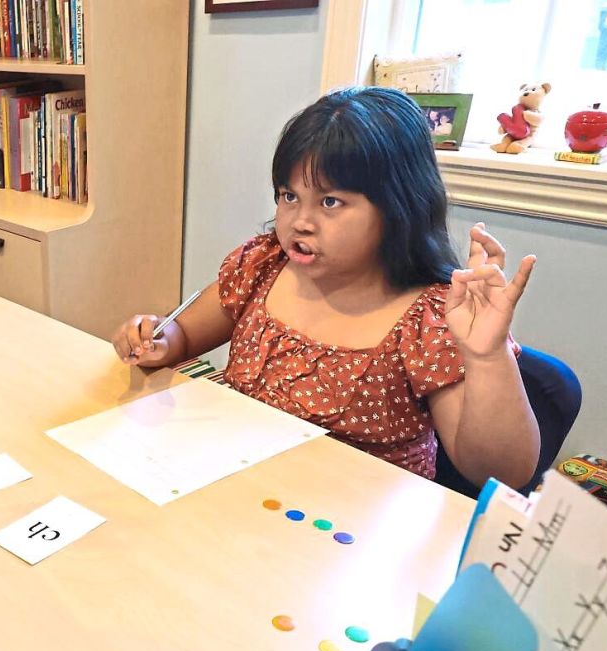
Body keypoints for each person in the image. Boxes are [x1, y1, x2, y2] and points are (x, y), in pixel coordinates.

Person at [112, 87, 539, 488]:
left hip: (348, 530)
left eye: (330, 202)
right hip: (240, 488)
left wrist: (486, 356)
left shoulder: (431, 318)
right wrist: (156, 337)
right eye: (288, 196)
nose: (300, 221)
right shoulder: (263, 264)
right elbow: (182, 334)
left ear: (399, 205)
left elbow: (498, 474)